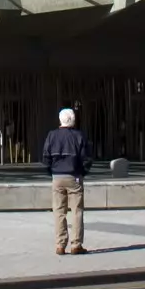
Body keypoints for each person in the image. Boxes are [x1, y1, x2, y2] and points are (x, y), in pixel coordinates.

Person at [42, 107, 92, 255]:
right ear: (73, 120)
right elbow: (86, 158)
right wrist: (82, 173)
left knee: (59, 211)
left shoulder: (52, 135)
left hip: (57, 177)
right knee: (77, 211)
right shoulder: (78, 136)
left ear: (60, 120)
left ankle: (60, 245)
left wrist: (51, 172)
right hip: (74, 176)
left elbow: (45, 157)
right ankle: (76, 244)